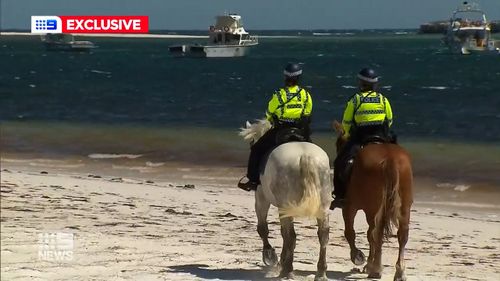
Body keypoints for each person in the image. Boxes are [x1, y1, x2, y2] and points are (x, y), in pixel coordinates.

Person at [238, 63, 313, 191]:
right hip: (300, 130)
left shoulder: (279, 95)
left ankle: (253, 180)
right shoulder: (305, 95)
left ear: (285, 77)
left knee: (256, 149)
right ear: (299, 78)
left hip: (282, 129)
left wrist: (273, 118)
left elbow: (269, 113)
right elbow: (307, 113)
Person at [330, 67, 393, 209]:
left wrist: (345, 135)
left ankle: (340, 195)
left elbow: (346, 122)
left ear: (361, 83)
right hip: (381, 135)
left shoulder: (356, 100)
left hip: (361, 137)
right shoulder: (383, 99)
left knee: (340, 162)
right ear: (375, 84)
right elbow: (389, 119)